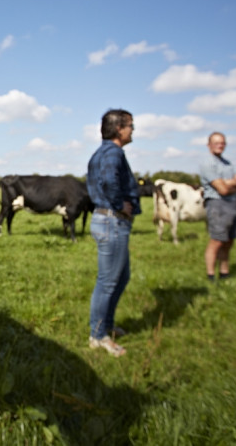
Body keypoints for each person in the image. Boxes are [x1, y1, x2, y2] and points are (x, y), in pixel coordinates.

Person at [86, 109, 141, 357]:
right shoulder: (113, 152)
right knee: (108, 282)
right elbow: (109, 182)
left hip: (108, 221)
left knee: (121, 277)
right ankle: (98, 335)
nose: (133, 130)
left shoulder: (101, 152)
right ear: (119, 128)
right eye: (130, 125)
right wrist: (120, 205)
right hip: (112, 221)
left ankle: (106, 325)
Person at [199, 132, 236, 282]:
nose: (220, 145)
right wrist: (235, 184)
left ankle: (224, 272)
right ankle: (211, 275)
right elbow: (223, 189)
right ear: (209, 145)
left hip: (232, 205)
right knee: (217, 240)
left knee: (229, 240)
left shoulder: (227, 163)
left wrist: (229, 183)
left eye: (222, 142)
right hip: (217, 204)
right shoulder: (208, 163)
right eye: (216, 142)